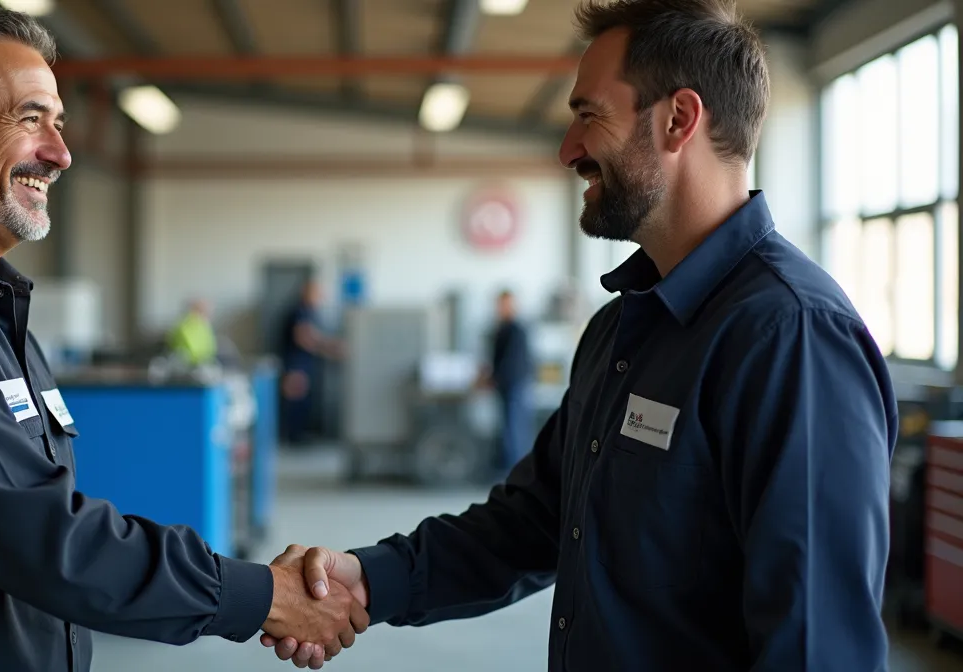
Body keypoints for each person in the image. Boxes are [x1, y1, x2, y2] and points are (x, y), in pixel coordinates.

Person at [261, 0, 897, 669]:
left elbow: (817, 648)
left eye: (589, 115)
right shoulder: (619, 328)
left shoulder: (790, 337)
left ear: (678, 119)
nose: (568, 149)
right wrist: (369, 578)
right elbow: (536, 521)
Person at [0, 3, 367, 670]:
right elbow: (44, 539)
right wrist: (266, 596)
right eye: (30, 119)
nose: (60, 153)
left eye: (57, 123)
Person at [277, 278, 344, 444]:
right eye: (316, 293)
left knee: (303, 402)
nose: (319, 298)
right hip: (296, 365)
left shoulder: (310, 312)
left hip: (304, 365)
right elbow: (304, 337)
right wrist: (329, 348)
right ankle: (293, 437)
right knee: (296, 402)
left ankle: (298, 435)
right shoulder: (299, 311)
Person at [480, 289, 535, 476]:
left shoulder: (517, 330)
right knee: (508, 430)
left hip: (515, 386)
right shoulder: (501, 329)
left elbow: (512, 362)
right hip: (506, 387)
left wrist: (494, 377)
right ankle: (511, 470)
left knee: (515, 431)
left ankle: (517, 472)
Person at [169, 297, 218, 366]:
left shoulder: (204, 326)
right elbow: (192, 351)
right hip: (189, 364)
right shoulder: (186, 326)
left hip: (204, 361)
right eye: (204, 311)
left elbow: (211, 349)